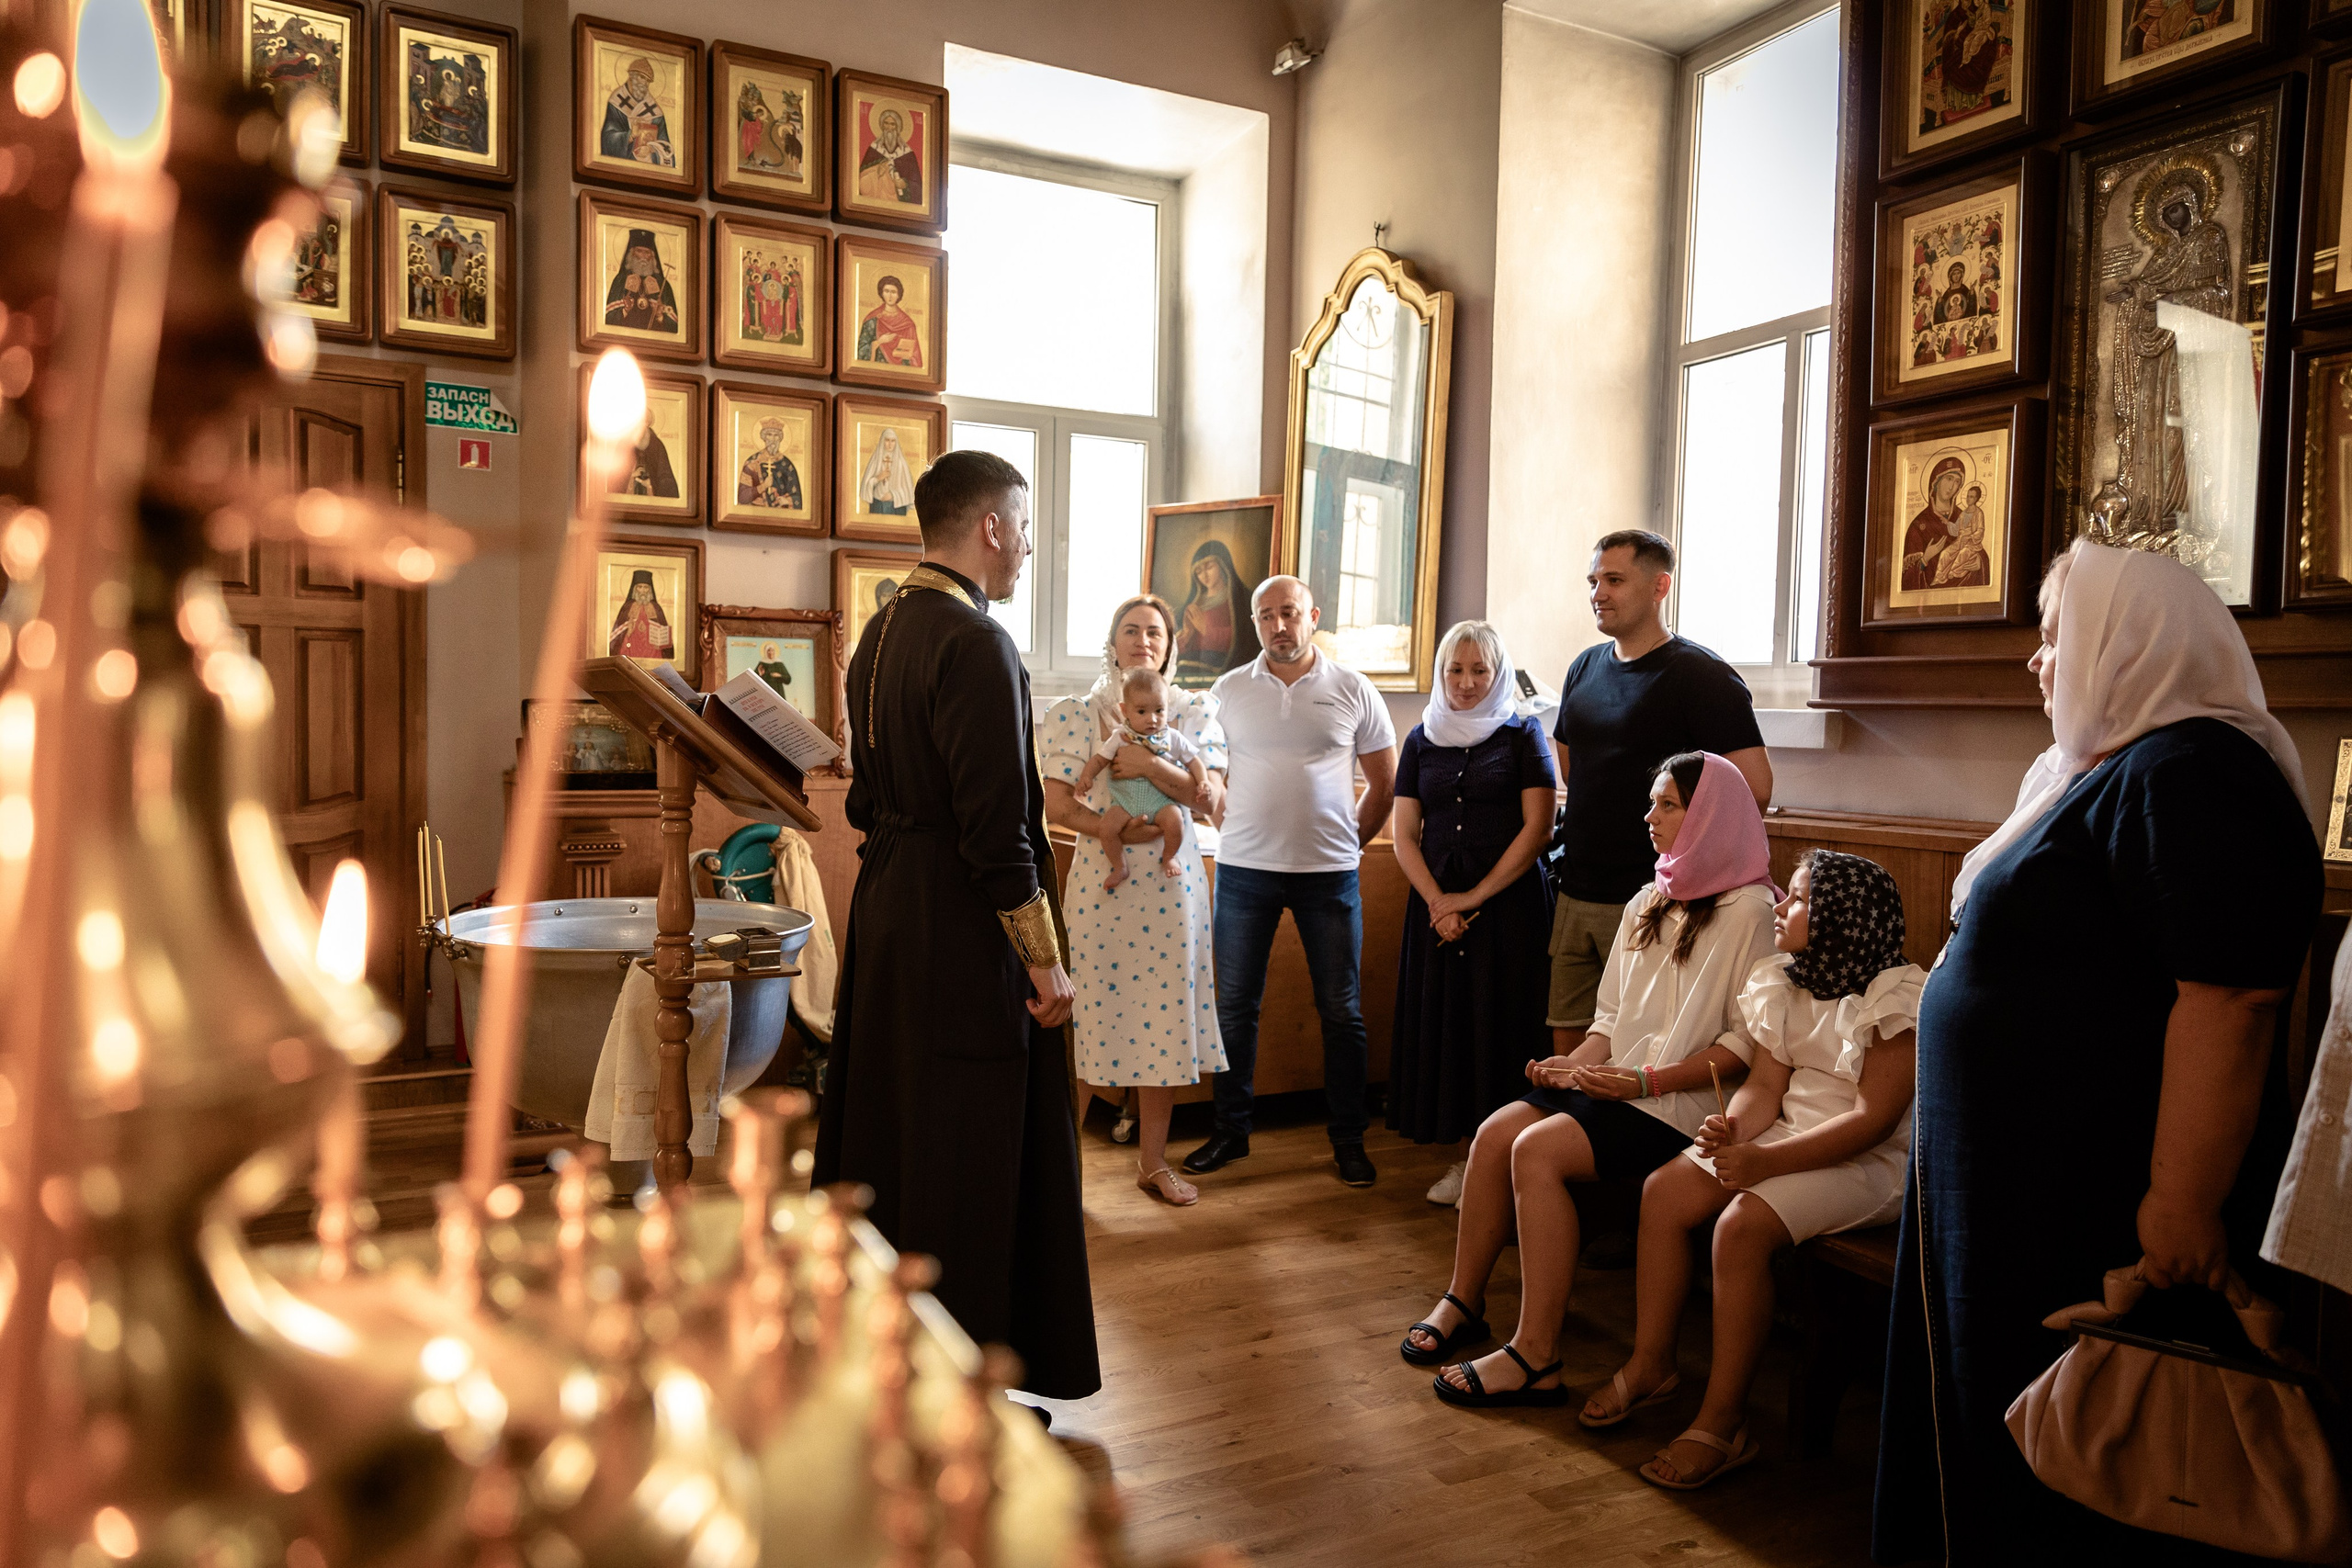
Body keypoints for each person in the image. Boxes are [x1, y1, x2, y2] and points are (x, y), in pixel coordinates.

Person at [1874, 540, 2321, 1565]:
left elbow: (2236, 997)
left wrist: (2178, 1209)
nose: (2038, 661)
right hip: (2016, 1187)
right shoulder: (2109, 770)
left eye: (2055, 635)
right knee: (1994, 1432)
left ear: (2132, 644)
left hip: (2091, 1197)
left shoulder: (2195, 774)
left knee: (2075, 1463)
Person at [812, 449, 1100, 1405]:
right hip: (958, 925)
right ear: (989, 527)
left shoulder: (882, 628)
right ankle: (963, 1384)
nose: (1025, 547)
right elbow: (998, 835)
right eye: (1022, 526)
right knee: (968, 1151)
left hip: (892, 909)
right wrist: (1046, 963)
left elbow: (870, 803)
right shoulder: (975, 643)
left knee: (897, 1136)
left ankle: (888, 1358)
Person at [1406, 751, 1779, 1404]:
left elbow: (1743, 1049)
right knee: (1494, 1134)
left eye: (1668, 804)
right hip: (1617, 1084)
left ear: (1711, 814)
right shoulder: (1648, 898)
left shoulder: (1751, 911)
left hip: (1681, 1101)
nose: (1650, 816)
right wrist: (1574, 1063)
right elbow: (1610, 1021)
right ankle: (1463, 1300)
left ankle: (1537, 1353)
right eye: (1653, 801)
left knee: (1537, 1149)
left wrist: (1643, 1081)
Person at [1595, 851, 1921, 1490]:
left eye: (1798, 899)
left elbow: (1871, 1118)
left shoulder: (1895, 995)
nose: (1780, 905)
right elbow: (1767, 1085)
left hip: (1867, 1161)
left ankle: (1724, 1421)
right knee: (1666, 1190)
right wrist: (1735, 1127)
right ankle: (1652, 1361)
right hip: (1783, 1135)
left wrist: (1763, 1160)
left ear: (1842, 916)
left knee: (1740, 1226)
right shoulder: (1788, 979)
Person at [1183, 576, 1397, 1188]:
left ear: (1312, 615)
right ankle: (1230, 1130)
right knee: (1233, 1005)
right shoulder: (1226, 691)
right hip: (1245, 870)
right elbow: (1212, 777)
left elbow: (1385, 782)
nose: (1280, 625)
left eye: (1290, 613)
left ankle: (1349, 1139)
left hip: (1328, 876)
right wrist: (1226, 815)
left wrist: (1348, 841)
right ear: (1254, 623)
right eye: (1267, 615)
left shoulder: (1354, 689)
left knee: (1342, 1010)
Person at [1547, 531, 1769, 1064]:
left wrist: (1678, 872)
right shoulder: (1584, 666)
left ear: (1659, 586)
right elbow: (1570, 761)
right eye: (1594, 580)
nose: (1599, 592)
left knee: (1633, 1051)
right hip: (1577, 889)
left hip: (1654, 899)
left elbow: (1752, 790)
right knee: (1569, 1045)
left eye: (1615, 580)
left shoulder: (1700, 675)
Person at [1042, 595, 1228, 1206]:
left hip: (1173, 891)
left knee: (1166, 1022)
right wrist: (1118, 828)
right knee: (1088, 1018)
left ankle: (1152, 1163)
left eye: (1155, 631)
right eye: (1131, 629)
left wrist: (1149, 764)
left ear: (1171, 644)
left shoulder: (1194, 712)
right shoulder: (1078, 713)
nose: (1144, 639)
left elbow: (1212, 802)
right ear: (1112, 641)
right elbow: (1059, 805)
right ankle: (1057, 1168)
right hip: (1104, 886)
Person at [1385, 620, 1558, 1206]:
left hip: (1507, 910)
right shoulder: (1420, 739)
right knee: (1454, 1027)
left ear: (1498, 673)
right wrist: (1439, 901)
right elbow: (1404, 833)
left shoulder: (1522, 735)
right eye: (1454, 670)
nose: (1465, 683)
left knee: (1503, 1027)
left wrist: (1473, 897)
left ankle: (1511, 1166)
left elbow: (1538, 829)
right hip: (1435, 908)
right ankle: (1467, 1162)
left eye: (1479, 671)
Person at [1073, 666, 1206, 890]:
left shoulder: (1172, 738)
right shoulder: (1121, 737)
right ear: (1125, 710)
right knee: (1107, 828)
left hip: (1161, 801)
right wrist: (1086, 777)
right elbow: (1100, 759)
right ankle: (1119, 866)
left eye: (1159, 710)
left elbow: (1194, 761)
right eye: (1142, 711)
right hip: (1125, 801)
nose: (1152, 719)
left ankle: (1169, 857)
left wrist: (1202, 782)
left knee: (1176, 822)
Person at [607, 570, 672, 661]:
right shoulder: (627, 607)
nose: (643, 591)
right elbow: (618, 633)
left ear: (650, 589)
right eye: (640, 587)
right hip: (631, 647)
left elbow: (664, 632)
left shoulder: (656, 608)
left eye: (646, 587)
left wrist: (660, 640)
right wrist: (628, 630)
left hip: (652, 650)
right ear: (635, 589)